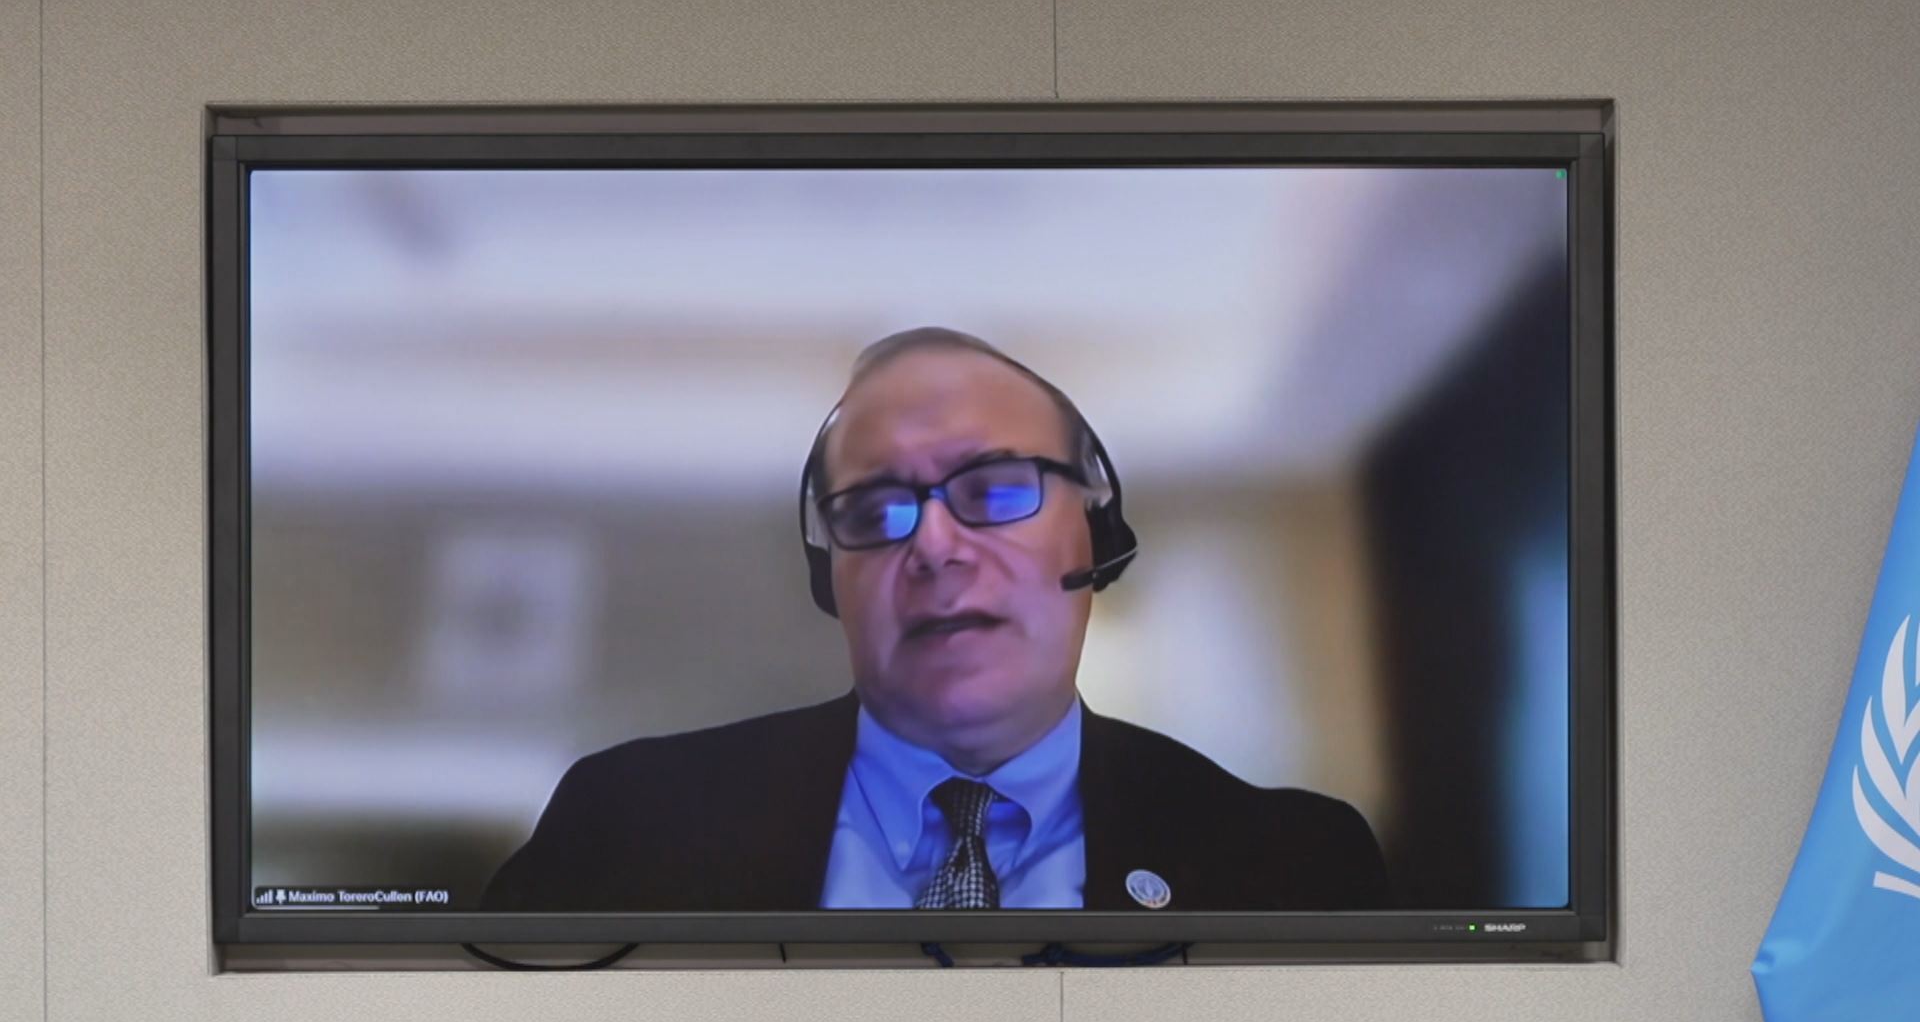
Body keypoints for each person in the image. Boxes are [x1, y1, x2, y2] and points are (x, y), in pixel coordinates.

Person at [481, 327, 1388, 912]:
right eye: (875, 510)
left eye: (993, 489)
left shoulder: (1299, 863)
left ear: (1097, 531)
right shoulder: (624, 823)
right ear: (830, 578)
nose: (935, 546)